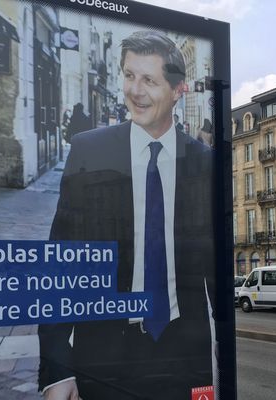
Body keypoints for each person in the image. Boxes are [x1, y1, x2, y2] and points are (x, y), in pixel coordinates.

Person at [38, 30, 217, 400]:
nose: (135, 91)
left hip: (182, 356)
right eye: (129, 75)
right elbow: (60, 263)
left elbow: (213, 270)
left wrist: (223, 359)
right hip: (103, 358)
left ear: (178, 90)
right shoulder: (89, 151)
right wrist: (56, 369)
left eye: (149, 80)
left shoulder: (204, 163)